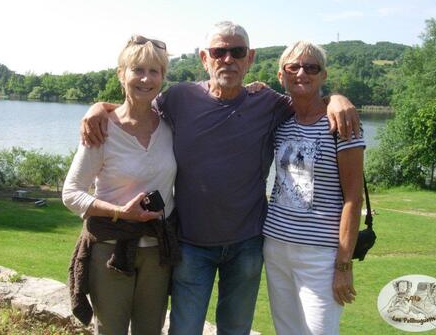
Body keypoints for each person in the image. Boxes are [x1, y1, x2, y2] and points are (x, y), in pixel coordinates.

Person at [81, 21, 360, 335]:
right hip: (190, 245)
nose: (228, 59)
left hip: (248, 245)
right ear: (204, 58)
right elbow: (137, 110)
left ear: (249, 58)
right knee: (184, 330)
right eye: (219, 51)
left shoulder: (268, 104)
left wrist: (337, 98)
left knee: (236, 330)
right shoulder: (179, 98)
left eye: (237, 51)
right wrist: (99, 108)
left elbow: (307, 98)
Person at [62, 35, 180, 335]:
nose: (145, 78)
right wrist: (119, 212)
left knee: (150, 331)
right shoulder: (102, 128)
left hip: (158, 251)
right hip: (110, 249)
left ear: (163, 78)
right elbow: (71, 194)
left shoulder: (170, 125)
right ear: (121, 74)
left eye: (154, 71)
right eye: (137, 69)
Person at [262, 41, 365, 335]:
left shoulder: (341, 124)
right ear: (281, 75)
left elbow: (353, 199)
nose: (301, 73)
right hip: (276, 246)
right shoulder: (280, 122)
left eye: (311, 67)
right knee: (286, 330)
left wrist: (343, 266)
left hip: (321, 255)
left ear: (323, 75)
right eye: (292, 67)